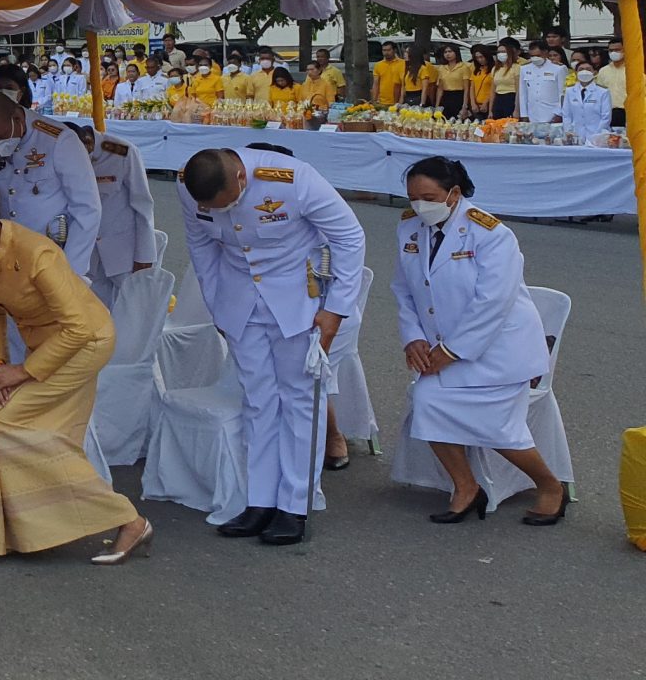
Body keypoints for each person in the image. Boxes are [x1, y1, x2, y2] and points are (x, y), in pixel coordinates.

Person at [0, 177, 153, 563]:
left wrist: (21, 372)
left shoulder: (38, 254)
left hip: (86, 344)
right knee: (38, 435)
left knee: (2, 423)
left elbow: (79, 328)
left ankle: (129, 520)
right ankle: (21, 533)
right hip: (47, 347)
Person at [177, 147, 366, 547]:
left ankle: (295, 506)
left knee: (299, 400)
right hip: (239, 303)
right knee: (258, 400)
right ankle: (260, 501)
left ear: (241, 180)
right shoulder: (186, 185)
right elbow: (202, 249)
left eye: (228, 203)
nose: (222, 212)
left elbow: (349, 237)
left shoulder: (292, 178)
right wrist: (218, 308)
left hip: (297, 300)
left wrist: (335, 310)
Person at [389, 156, 567, 524]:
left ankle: (550, 486)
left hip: (500, 352)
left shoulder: (491, 234)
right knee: (427, 401)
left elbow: (494, 303)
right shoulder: (409, 229)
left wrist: (453, 351)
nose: (420, 205)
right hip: (443, 350)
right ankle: (466, 486)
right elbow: (405, 289)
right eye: (412, 198)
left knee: (496, 426)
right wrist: (414, 338)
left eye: (428, 196)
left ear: (453, 193)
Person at [0, 92, 101, 277]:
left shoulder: (59, 139)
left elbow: (87, 209)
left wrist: (71, 271)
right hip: (8, 254)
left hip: (51, 255)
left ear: (17, 118)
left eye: (0, 137)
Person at [73, 121, 158, 290]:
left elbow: (143, 205)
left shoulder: (122, 152)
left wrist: (144, 254)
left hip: (123, 252)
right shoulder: (59, 152)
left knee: (132, 308)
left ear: (89, 143)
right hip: (86, 254)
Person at [560, 61, 614, 142]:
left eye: (588, 69)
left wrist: (596, 136)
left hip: (597, 136)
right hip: (575, 136)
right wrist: (569, 132)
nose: (584, 72)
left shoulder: (603, 91)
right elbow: (566, 115)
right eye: (581, 69)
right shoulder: (570, 91)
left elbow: (606, 117)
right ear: (576, 72)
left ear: (594, 72)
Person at [522, 44, 569, 125]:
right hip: (533, 114)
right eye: (532, 56)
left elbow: (563, 93)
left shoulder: (558, 68)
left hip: (552, 114)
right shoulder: (524, 68)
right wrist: (524, 114)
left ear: (545, 53)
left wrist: (559, 113)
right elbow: (523, 93)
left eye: (538, 55)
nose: (535, 58)